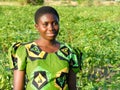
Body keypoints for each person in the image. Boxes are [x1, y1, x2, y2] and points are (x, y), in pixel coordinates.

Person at [8, 6, 81, 90]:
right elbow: (18, 88)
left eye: (55, 23)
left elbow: (72, 87)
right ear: (37, 26)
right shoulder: (24, 51)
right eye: (45, 24)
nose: (51, 28)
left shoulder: (69, 52)